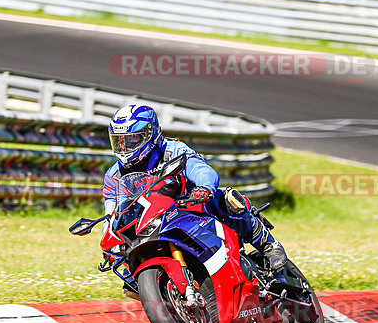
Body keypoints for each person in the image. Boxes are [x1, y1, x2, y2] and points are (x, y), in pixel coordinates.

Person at [103, 104, 287, 272]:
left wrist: (204, 188)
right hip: (154, 223)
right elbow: (112, 214)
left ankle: (269, 245)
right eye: (119, 141)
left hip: (193, 206)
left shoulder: (173, 149)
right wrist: (109, 242)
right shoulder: (114, 175)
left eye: (132, 140)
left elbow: (201, 169)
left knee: (228, 200)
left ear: (150, 133)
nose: (124, 148)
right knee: (126, 270)